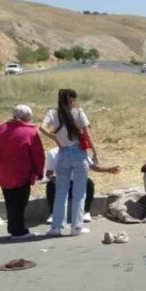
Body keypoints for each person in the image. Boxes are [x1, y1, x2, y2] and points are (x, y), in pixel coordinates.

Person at [40, 88, 98, 236]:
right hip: (78, 153)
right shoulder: (78, 112)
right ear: (72, 100)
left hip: (63, 153)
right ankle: (76, 227)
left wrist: (56, 139)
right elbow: (87, 136)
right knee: (79, 193)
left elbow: (42, 128)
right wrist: (95, 154)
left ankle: (56, 227)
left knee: (61, 192)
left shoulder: (52, 113)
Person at [0, 104, 45, 238]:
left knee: (9, 200)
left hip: (2, 171)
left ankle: (12, 227)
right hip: (21, 172)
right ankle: (19, 230)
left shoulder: (1, 128)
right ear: (26, 117)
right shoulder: (31, 132)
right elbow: (38, 154)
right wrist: (39, 171)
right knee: (20, 202)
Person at [45, 146, 121, 225]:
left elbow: (93, 167)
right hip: (61, 183)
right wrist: (53, 178)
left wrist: (109, 169)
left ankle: (86, 212)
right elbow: (49, 172)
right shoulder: (52, 153)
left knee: (89, 183)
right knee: (50, 185)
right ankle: (53, 214)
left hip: (77, 183)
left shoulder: (79, 150)